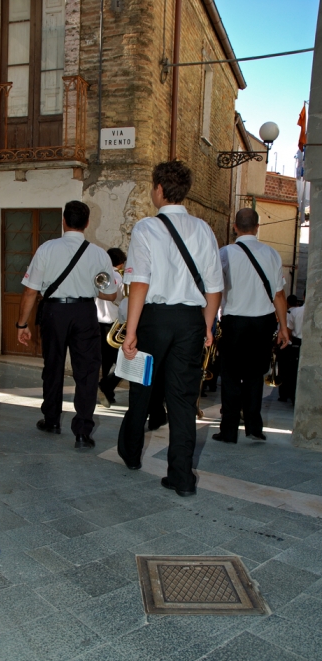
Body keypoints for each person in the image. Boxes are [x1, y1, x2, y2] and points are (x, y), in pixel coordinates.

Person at [118, 161, 223, 497]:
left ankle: (132, 455)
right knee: (182, 399)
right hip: (191, 320)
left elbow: (139, 282)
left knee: (141, 389)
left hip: (155, 320)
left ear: (160, 189)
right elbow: (214, 287)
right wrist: (207, 326)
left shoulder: (146, 228)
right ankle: (181, 477)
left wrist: (131, 331)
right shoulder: (204, 230)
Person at [17, 200, 117, 449]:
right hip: (84, 312)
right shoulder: (98, 254)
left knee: (53, 365)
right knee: (87, 371)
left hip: (55, 311)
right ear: (87, 224)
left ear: (63, 221)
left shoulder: (46, 249)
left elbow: (30, 292)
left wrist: (22, 324)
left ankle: (51, 420)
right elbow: (111, 294)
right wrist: (88, 287)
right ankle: (83, 431)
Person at [213, 208, 290, 444]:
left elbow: (215, 289)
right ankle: (254, 427)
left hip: (234, 323)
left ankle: (228, 431)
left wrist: (210, 322)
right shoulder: (271, 254)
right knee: (256, 375)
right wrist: (284, 328)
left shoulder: (225, 253)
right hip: (262, 324)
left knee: (231, 376)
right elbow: (278, 294)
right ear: (257, 227)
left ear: (235, 227)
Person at [96, 247, 126, 408]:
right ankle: (106, 386)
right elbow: (123, 300)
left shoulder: (99, 276)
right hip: (114, 326)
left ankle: (107, 391)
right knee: (121, 362)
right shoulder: (120, 279)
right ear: (121, 263)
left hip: (97, 323)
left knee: (104, 361)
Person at [279, 293, 305, 403]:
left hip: (295, 343)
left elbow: (288, 331)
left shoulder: (294, 312)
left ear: (303, 297)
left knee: (290, 371)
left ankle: (288, 395)